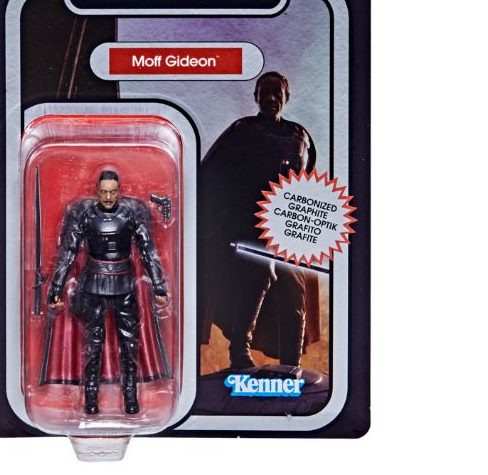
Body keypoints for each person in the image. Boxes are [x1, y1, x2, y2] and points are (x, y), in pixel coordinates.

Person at [199, 71, 320, 369]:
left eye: (277, 92)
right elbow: (210, 174)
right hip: (246, 224)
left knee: (294, 289)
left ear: (286, 97)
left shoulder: (300, 136)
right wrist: (213, 221)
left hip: (283, 226)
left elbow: (306, 181)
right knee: (260, 274)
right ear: (255, 96)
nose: (270, 98)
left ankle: (292, 362)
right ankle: (240, 351)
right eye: (264, 91)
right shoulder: (243, 129)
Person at [45, 170, 169, 415]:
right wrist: (56, 287)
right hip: (93, 283)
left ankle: (130, 395)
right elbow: (68, 252)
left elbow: (148, 251)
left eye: (112, 192)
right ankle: (91, 398)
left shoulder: (132, 213)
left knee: (129, 342)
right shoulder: (84, 214)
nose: (108, 197)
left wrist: (159, 285)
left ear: (119, 190)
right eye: (104, 192)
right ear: (98, 191)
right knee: (94, 343)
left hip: (124, 283)